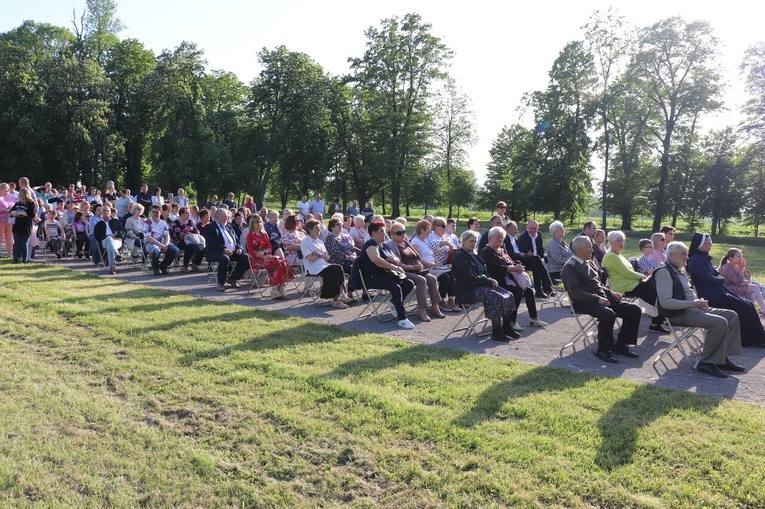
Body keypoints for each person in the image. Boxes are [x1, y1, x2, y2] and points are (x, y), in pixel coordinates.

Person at [655, 241, 744, 377]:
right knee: (719, 323)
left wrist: (698, 303)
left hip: (692, 309)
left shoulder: (679, 270)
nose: (687, 258)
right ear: (671, 255)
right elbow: (666, 303)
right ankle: (707, 363)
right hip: (678, 313)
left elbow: (687, 293)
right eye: (683, 254)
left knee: (731, 315)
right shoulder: (663, 272)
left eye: (687, 254)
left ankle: (721, 359)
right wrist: (692, 304)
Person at [561, 236, 642, 363]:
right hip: (583, 302)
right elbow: (575, 292)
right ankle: (603, 350)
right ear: (580, 250)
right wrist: (597, 299)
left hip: (601, 298)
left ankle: (621, 345)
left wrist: (611, 293)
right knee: (608, 314)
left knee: (634, 309)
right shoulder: (570, 267)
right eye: (590, 247)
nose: (592, 250)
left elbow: (599, 285)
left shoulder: (589, 262)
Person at [687, 233, 765, 347]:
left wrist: (719, 279)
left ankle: (757, 337)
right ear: (701, 245)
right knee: (745, 307)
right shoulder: (696, 260)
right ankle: (750, 339)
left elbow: (715, 275)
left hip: (717, 291)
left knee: (748, 304)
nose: (711, 245)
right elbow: (709, 279)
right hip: (710, 295)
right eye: (709, 243)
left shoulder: (702, 258)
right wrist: (720, 279)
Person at [480, 226, 548, 334]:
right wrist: (512, 269)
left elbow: (511, 262)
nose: (500, 240)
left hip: (510, 278)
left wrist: (518, 266)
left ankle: (533, 317)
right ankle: (511, 321)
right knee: (516, 291)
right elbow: (492, 268)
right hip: (496, 281)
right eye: (498, 237)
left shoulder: (502, 250)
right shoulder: (486, 251)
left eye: (502, 237)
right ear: (490, 238)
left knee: (529, 291)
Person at [452, 230, 517, 341]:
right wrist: (488, 281)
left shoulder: (474, 256)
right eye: (471, 241)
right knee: (495, 297)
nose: (473, 243)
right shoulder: (460, 256)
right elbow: (470, 279)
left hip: (481, 286)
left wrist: (489, 280)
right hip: (468, 290)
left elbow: (485, 273)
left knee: (509, 295)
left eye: (475, 241)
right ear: (464, 241)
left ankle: (506, 327)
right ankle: (496, 332)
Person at [602, 231, 668, 333]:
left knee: (658, 290)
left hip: (632, 284)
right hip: (623, 287)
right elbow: (628, 273)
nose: (621, 243)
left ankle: (659, 318)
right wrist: (643, 277)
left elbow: (630, 272)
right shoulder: (611, 256)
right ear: (610, 242)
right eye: (618, 240)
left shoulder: (619, 255)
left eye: (623, 240)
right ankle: (661, 317)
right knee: (656, 291)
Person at [359, 221, 415, 329]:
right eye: (382, 232)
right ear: (374, 233)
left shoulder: (384, 245)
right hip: (373, 278)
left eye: (385, 232)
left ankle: (394, 302)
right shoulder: (370, 245)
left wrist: (394, 259)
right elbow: (376, 259)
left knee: (409, 283)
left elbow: (397, 259)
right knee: (396, 287)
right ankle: (402, 318)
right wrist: (394, 267)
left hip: (386, 275)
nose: (385, 234)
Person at [385, 221, 445, 321]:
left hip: (416, 270)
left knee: (432, 279)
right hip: (402, 272)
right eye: (399, 233)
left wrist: (419, 264)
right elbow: (397, 264)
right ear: (391, 235)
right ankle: (421, 310)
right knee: (421, 280)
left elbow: (417, 257)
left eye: (403, 232)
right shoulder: (390, 245)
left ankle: (435, 307)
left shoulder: (406, 242)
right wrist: (413, 268)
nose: (402, 234)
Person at [410, 219, 459, 311]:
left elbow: (432, 254)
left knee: (451, 273)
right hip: (426, 268)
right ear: (422, 230)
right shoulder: (416, 242)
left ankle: (451, 300)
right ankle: (440, 301)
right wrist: (433, 264)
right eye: (429, 228)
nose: (430, 230)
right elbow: (419, 260)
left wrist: (437, 263)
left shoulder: (425, 241)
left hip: (434, 266)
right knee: (445, 277)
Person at [301, 219, 351, 308]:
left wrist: (317, 253)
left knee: (337, 269)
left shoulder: (320, 242)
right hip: (313, 268)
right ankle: (339, 297)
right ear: (310, 229)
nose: (319, 231)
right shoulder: (305, 242)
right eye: (317, 228)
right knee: (336, 268)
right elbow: (311, 259)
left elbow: (328, 257)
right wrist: (321, 255)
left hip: (324, 265)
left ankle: (339, 296)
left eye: (319, 228)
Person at [246, 215, 295, 299]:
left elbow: (270, 247)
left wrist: (264, 253)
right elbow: (251, 251)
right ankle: (275, 288)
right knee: (279, 264)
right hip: (257, 259)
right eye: (256, 222)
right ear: (252, 224)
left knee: (284, 263)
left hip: (267, 257)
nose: (259, 224)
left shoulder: (264, 234)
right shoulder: (250, 236)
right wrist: (261, 255)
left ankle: (279, 287)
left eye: (260, 221)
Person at [204, 208, 249, 292]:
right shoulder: (210, 227)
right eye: (225, 217)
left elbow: (237, 241)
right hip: (216, 252)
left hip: (232, 252)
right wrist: (223, 249)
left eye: (228, 217)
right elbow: (211, 243)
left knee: (246, 258)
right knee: (224, 258)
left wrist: (239, 248)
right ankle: (221, 284)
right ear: (217, 217)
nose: (227, 219)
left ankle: (232, 278)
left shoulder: (229, 227)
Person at [508, 220, 553, 297]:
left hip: (533, 260)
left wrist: (542, 258)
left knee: (538, 264)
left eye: (535, 228)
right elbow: (515, 252)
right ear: (527, 227)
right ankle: (547, 284)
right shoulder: (522, 237)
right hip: (520, 260)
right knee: (536, 259)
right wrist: (526, 254)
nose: (533, 230)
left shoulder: (538, 235)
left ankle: (539, 290)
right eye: (531, 228)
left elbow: (541, 249)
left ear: (538, 228)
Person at [718, 248, 765, 318]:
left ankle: (752, 314)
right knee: (754, 287)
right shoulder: (727, 268)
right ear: (731, 258)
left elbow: (745, 281)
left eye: (741, 256)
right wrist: (741, 269)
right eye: (739, 256)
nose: (741, 258)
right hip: (728, 289)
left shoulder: (737, 266)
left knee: (753, 294)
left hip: (736, 287)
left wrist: (741, 269)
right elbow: (740, 283)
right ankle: (764, 311)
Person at [144, 205, 179, 275]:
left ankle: (163, 266)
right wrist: (160, 245)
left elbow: (167, 235)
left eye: (157, 212)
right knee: (156, 250)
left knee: (175, 250)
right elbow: (148, 237)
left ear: (161, 213)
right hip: (150, 243)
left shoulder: (163, 223)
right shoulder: (147, 222)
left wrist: (165, 245)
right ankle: (155, 267)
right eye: (153, 212)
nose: (155, 214)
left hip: (163, 242)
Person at [172, 206, 205, 273]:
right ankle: (185, 265)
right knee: (190, 248)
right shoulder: (176, 222)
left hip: (191, 239)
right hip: (180, 241)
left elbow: (196, 231)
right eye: (187, 213)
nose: (189, 214)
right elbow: (177, 233)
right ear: (181, 214)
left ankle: (195, 264)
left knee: (202, 247)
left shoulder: (191, 222)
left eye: (189, 213)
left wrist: (193, 236)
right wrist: (187, 236)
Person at [9, 188, 38, 263]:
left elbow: (31, 214)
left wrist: (20, 213)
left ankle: (24, 259)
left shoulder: (31, 203)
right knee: (16, 243)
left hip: (26, 225)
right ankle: (16, 259)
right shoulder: (18, 203)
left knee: (24, 243)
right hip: (17, 225)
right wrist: (14, 213)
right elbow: (11, 211)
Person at [93, 207, 125, 274]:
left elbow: (123, 232)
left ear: (110, 212)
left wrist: (115, 234)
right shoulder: (98, 224)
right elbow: (97, 236)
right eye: (104, 211)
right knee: (109, 239)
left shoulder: (116, 221)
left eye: (108, 211)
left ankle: (112, 267)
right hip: (104, 241)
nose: (106, 212)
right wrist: (107, 236)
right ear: (102, 212)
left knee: (109, 247)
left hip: (117, 240)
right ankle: (117, 254)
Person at [0, 182, 17, 256]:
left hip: (10, 221)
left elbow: (17, 205)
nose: (8, 190)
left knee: (10, 237)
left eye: (8, 189)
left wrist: (13, 210)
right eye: (6, 189)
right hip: (1, 220)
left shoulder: (12, 198)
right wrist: (4, 210)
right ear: (1, 189)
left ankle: (10, 252)